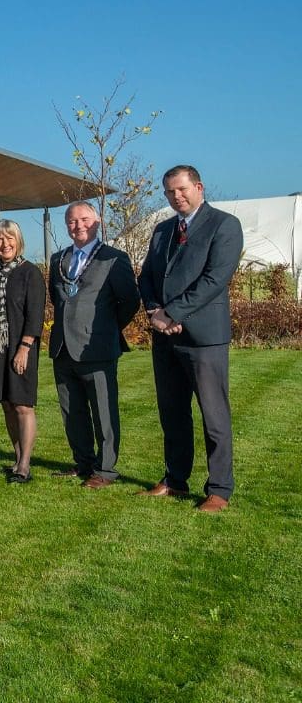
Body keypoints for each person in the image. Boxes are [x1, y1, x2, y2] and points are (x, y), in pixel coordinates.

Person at [138, 165, 242, 512]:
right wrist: (155, 311)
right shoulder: (162, 230)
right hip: (165, 336)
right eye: (169, 192)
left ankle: (219, 489)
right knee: (173, 413)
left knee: (214, 417)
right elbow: (147, 276)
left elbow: (214, 279)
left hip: (204, 338)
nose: (175, 197)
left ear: (198, 186)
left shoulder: (224, 225)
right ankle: (175, 480)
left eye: (181, 189)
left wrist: (174, 313)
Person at [47, 201, 140, 489]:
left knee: (103, 412)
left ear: (97, 221)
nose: (79, 226)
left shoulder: (113, 258)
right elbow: (56, 298)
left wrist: (106, 330)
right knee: (71, 411)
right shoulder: (58, 259)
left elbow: (130, 301)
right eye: (72, 222)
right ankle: (83, 462)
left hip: (97, 348)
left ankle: (106, 470)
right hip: (63, 348)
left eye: (85, 219)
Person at [0, 220, 45, 484]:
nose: (4, 244)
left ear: (18, 241)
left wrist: (25, 348)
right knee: (6, 404)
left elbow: (35, 314)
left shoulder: (30, 273)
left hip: (20, 346)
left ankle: (25, 465)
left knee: (22, 405)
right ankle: (16, 458)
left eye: (9, 239)